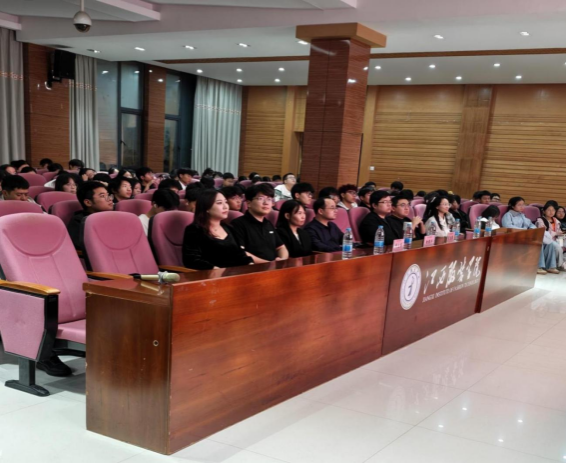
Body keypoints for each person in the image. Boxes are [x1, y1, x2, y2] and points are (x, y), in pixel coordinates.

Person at [182, 191, 254, 271]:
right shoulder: (194, 230)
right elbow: (191, 260)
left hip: (236, 273)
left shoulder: (229, 228)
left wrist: (250, 264)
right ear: (207, 208)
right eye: (219, 203)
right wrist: (215, 269)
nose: (225, 207)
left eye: (226, 202)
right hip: (211, 275)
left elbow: (240, 254)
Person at [231, 184, 289, 263]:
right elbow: (242, 253)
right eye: (261, 198)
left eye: (269, 199)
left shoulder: (268, 223)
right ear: (248, 203)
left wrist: (282, 260)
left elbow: (281, 247)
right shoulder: (238, 224)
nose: (266, 203)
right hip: (253, 268)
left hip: (273, 267)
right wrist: (268, 264)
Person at [502, 197, 559, 275]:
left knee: (550, 244)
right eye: (519, 205)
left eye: (523, 204)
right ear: (512, 206)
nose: (522, 207)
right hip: (516, 237)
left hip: (527, 235)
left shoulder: (522, 215)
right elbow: (508, 226)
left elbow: (530, 224)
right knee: (538, 242)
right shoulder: (508, 215)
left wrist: (534, 229)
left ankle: (550, 266)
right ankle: (538, 266)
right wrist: (525, 230)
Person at [67, 181, 114, 250]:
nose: (109, 199)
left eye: (108, 195)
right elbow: (81, 246)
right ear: (88, 202)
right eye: (102, 196)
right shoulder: (79, 221)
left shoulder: (114, 216)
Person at [536, 201, 564, 270]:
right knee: (558, 248)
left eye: (553, 210)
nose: (551, 212)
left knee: (562, 246)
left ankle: (561, 262)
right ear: (544, 211)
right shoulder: (540, 220)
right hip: (548, 240)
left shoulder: (556, 220)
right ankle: (560, 265)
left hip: (558, 238)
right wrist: (556, 233)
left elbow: (558, 231)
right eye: (549, 210)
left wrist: (560, 233)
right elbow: (543, 233)